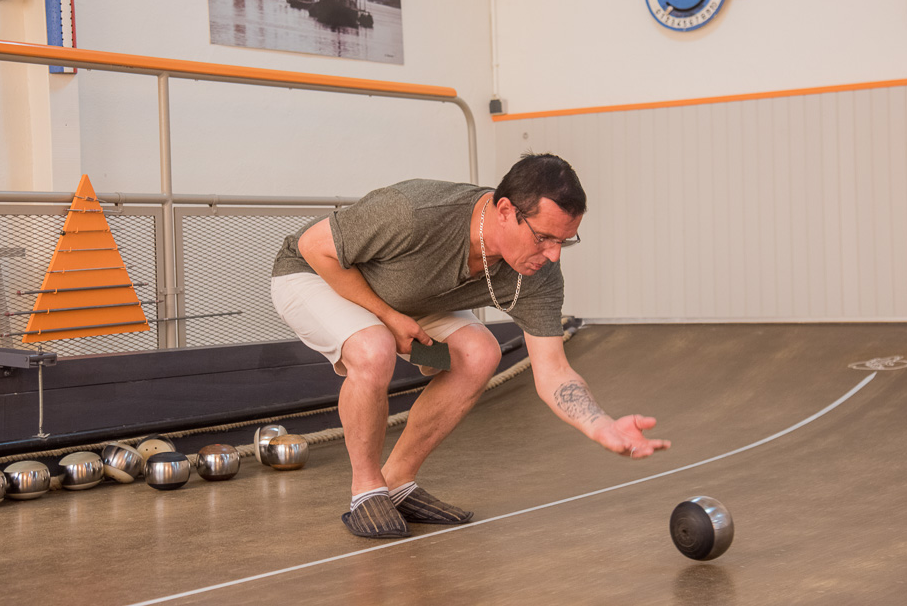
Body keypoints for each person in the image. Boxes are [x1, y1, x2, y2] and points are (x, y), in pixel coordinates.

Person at [270, 153, 669, 539]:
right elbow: (313, 246)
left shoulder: (538, 273)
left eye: (565, 240)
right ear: (506, 212)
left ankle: (396, 482)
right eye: (544, 237)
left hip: (405, 301)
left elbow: (553, 370)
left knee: (480, 354)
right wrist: (387, 318)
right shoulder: (414, 212)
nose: (553, 254)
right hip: (315, 275)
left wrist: (600, 425)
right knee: (374, 349)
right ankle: (367, 490)